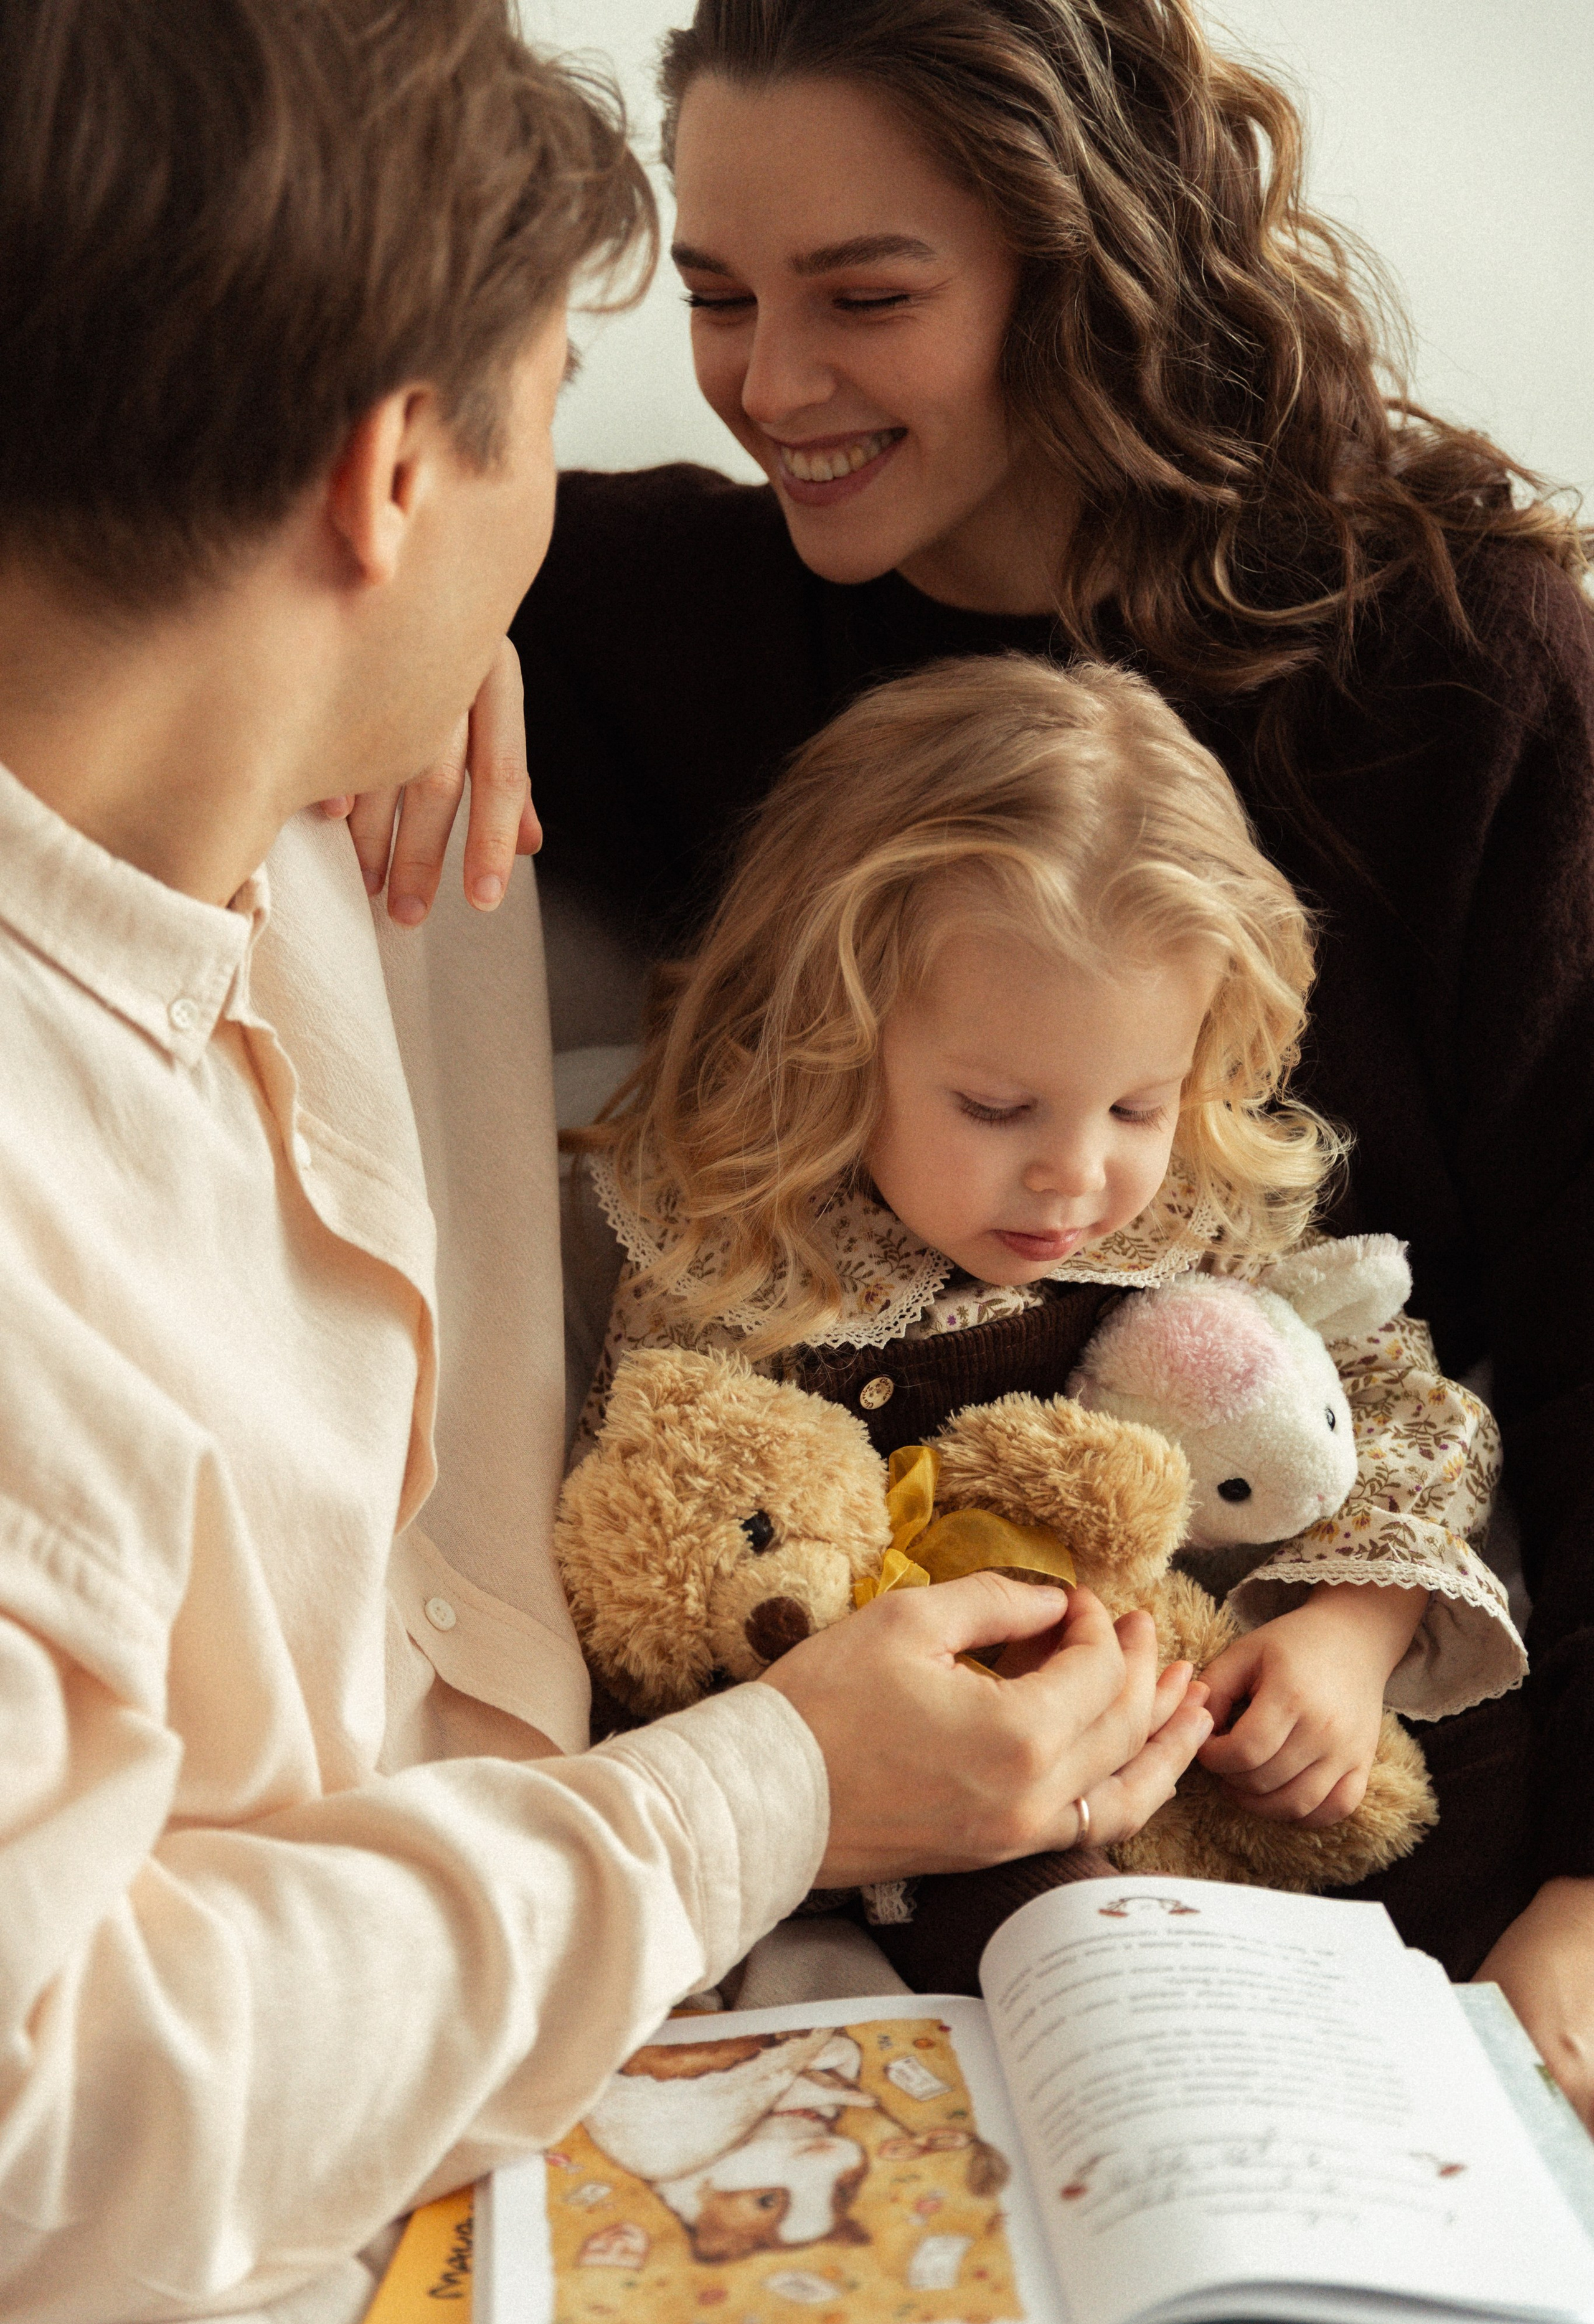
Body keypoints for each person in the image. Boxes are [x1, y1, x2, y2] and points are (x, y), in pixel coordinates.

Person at [0, 3, 1215, 2324]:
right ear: (384, 475)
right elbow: (41, 2127)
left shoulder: (375, 845)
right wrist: (776, 1787)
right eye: (565, 406)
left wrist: (375, 663)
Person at [355, 0, 1594, 2108]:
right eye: (726, 298)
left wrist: (1588, 1883)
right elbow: (303, 503)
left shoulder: (1465, 675)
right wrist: (437, 622)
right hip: (925, 1817)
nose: (769, 385)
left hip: (1386, 1757)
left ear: (1087, 267)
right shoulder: (707, 615)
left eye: (867, 296)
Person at [568, 651, 1520, 1990]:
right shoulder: (737, 1243)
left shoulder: (1191, 1203)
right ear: (832, 1040)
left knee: (1475, 1806)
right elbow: (671, 1529)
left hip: (1175, 1730)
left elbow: (1399, 1409)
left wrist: (1345, 1630)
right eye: (994, 1109)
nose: (1076, 1176)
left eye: (1135, 1103)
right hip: (890, 1776)